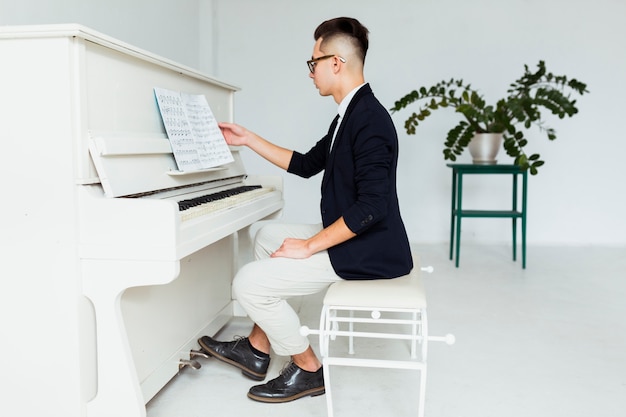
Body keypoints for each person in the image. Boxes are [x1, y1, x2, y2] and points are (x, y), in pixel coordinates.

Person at [198, 16, 413, 403]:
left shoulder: (370, 121)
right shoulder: (349, 114)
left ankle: (309, 368)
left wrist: (311, 245)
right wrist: (247, 139)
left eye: (313, 62)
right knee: (264, 235)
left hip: (372, 249)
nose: (310, 72)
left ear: (337, 62)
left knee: (247, 282)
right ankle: (258, 348)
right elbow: (306, 164)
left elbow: (373, 206)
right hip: (358, 236)